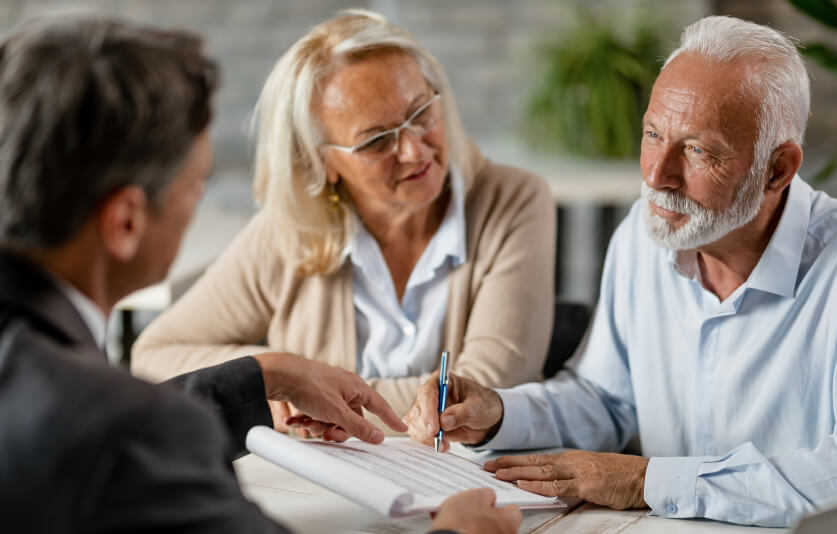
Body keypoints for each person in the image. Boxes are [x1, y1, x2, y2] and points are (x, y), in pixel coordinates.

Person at [0, 16, 520, 533]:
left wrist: (266, 375)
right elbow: (123, 429)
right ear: (126, 223)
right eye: (195, 185)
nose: (200, 201)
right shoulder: (127, 434)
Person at [404, 15, 837, 528]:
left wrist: (647, 481)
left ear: (777, 169)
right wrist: (499, 413)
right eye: (653, 133)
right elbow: (605, 399)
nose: (657, 175)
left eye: (698, 150)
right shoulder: (643, 238)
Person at [129, 9, 556, 434]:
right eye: (376, 140)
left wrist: (317, 396)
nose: (414, 150)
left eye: (421, 112)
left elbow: (487, 394)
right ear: (321, 161)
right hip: (324, 488)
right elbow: (154, 354)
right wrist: (275, 376)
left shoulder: (514, 200)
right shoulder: (290, 231)